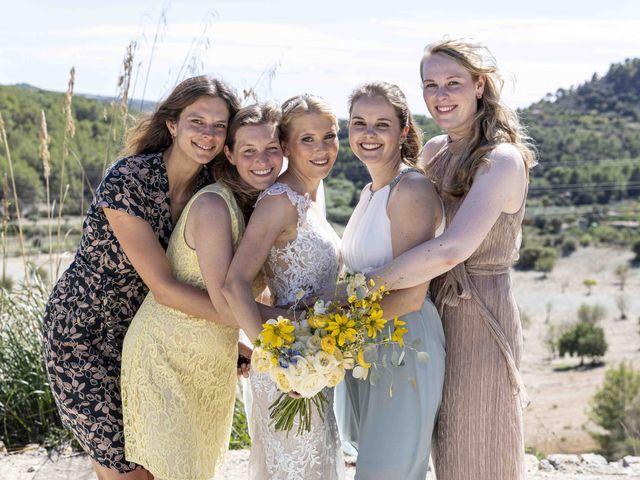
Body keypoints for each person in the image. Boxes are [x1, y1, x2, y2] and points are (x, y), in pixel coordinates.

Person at [42, 75, 241, 480]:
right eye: (196, 121)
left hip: (148, 345)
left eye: (219, 126)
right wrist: (255, 323)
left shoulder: (212, 192)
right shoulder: (128, 180)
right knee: (130, 472)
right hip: (82, 338)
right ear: (172, 124)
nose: (207, 134)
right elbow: (166, 288)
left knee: (155, 465)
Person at [367, 39, 537, 480]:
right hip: (432, 309)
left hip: (480, 310)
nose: (440, 96)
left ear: (479, 85)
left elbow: (452, 247)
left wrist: (365, 285)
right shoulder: (434, 151)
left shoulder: (501, 160)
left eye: (453, 83)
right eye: (430, 85)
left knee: (479, 442)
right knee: (440, 441)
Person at [121, 103, 285, 480]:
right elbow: (225, 301)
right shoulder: (213, 205)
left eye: (271, 149)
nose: (262, 160)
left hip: (213, 359)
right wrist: (294, 329)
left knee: (197, 470)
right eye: (248, 151)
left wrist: (242, 346)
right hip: (164, 356)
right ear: (229, 153)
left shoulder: (259, 207)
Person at [223, 94, 345, 480]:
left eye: (329, 135)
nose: (322, 148)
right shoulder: (279, 201)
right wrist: (282, 363)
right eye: (307, 139)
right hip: (288, 365)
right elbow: (235, 284)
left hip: (312, 359)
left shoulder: (309, 196)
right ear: (287, 146)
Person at [335, 82, 445, 480]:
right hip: (370, 344)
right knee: (375, 467)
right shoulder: (371, 190)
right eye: (358, 123)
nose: (368, 134)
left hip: (405, 342)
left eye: (382, 124)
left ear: (403, 131)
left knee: (387, 470)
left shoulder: (410, 189)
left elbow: (412, 295)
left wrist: (331, 338)